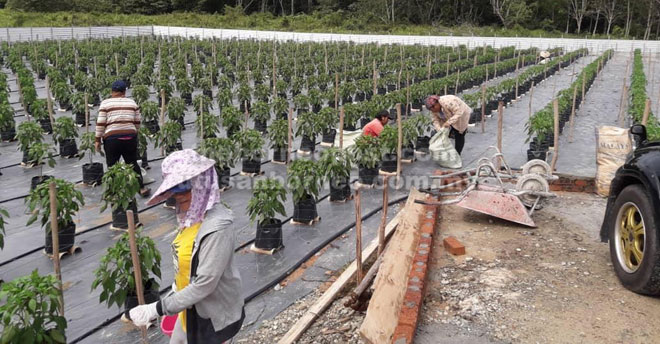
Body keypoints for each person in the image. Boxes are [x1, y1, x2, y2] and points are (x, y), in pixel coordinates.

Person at [128, 149, 245, 344]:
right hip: (188, 311)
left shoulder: (217, 228)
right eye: (175, 187)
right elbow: (189, 264)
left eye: (186, 186)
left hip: (210, 318)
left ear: (201, 184)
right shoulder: (189, 217)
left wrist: (156, 308)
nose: (179, 195)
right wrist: (176, 290)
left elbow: (204, 284)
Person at [95, 80, 151, 197]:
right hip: (129, 137)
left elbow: (101, 123)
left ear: (112, 92)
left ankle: (114, 192)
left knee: (112, 165)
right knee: (132, 163)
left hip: (111, 139)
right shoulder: (132, 103)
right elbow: (137, 123)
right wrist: (131, 131)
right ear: (124, 91)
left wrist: (97, 140)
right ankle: (141, 188)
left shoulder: (105, 104)